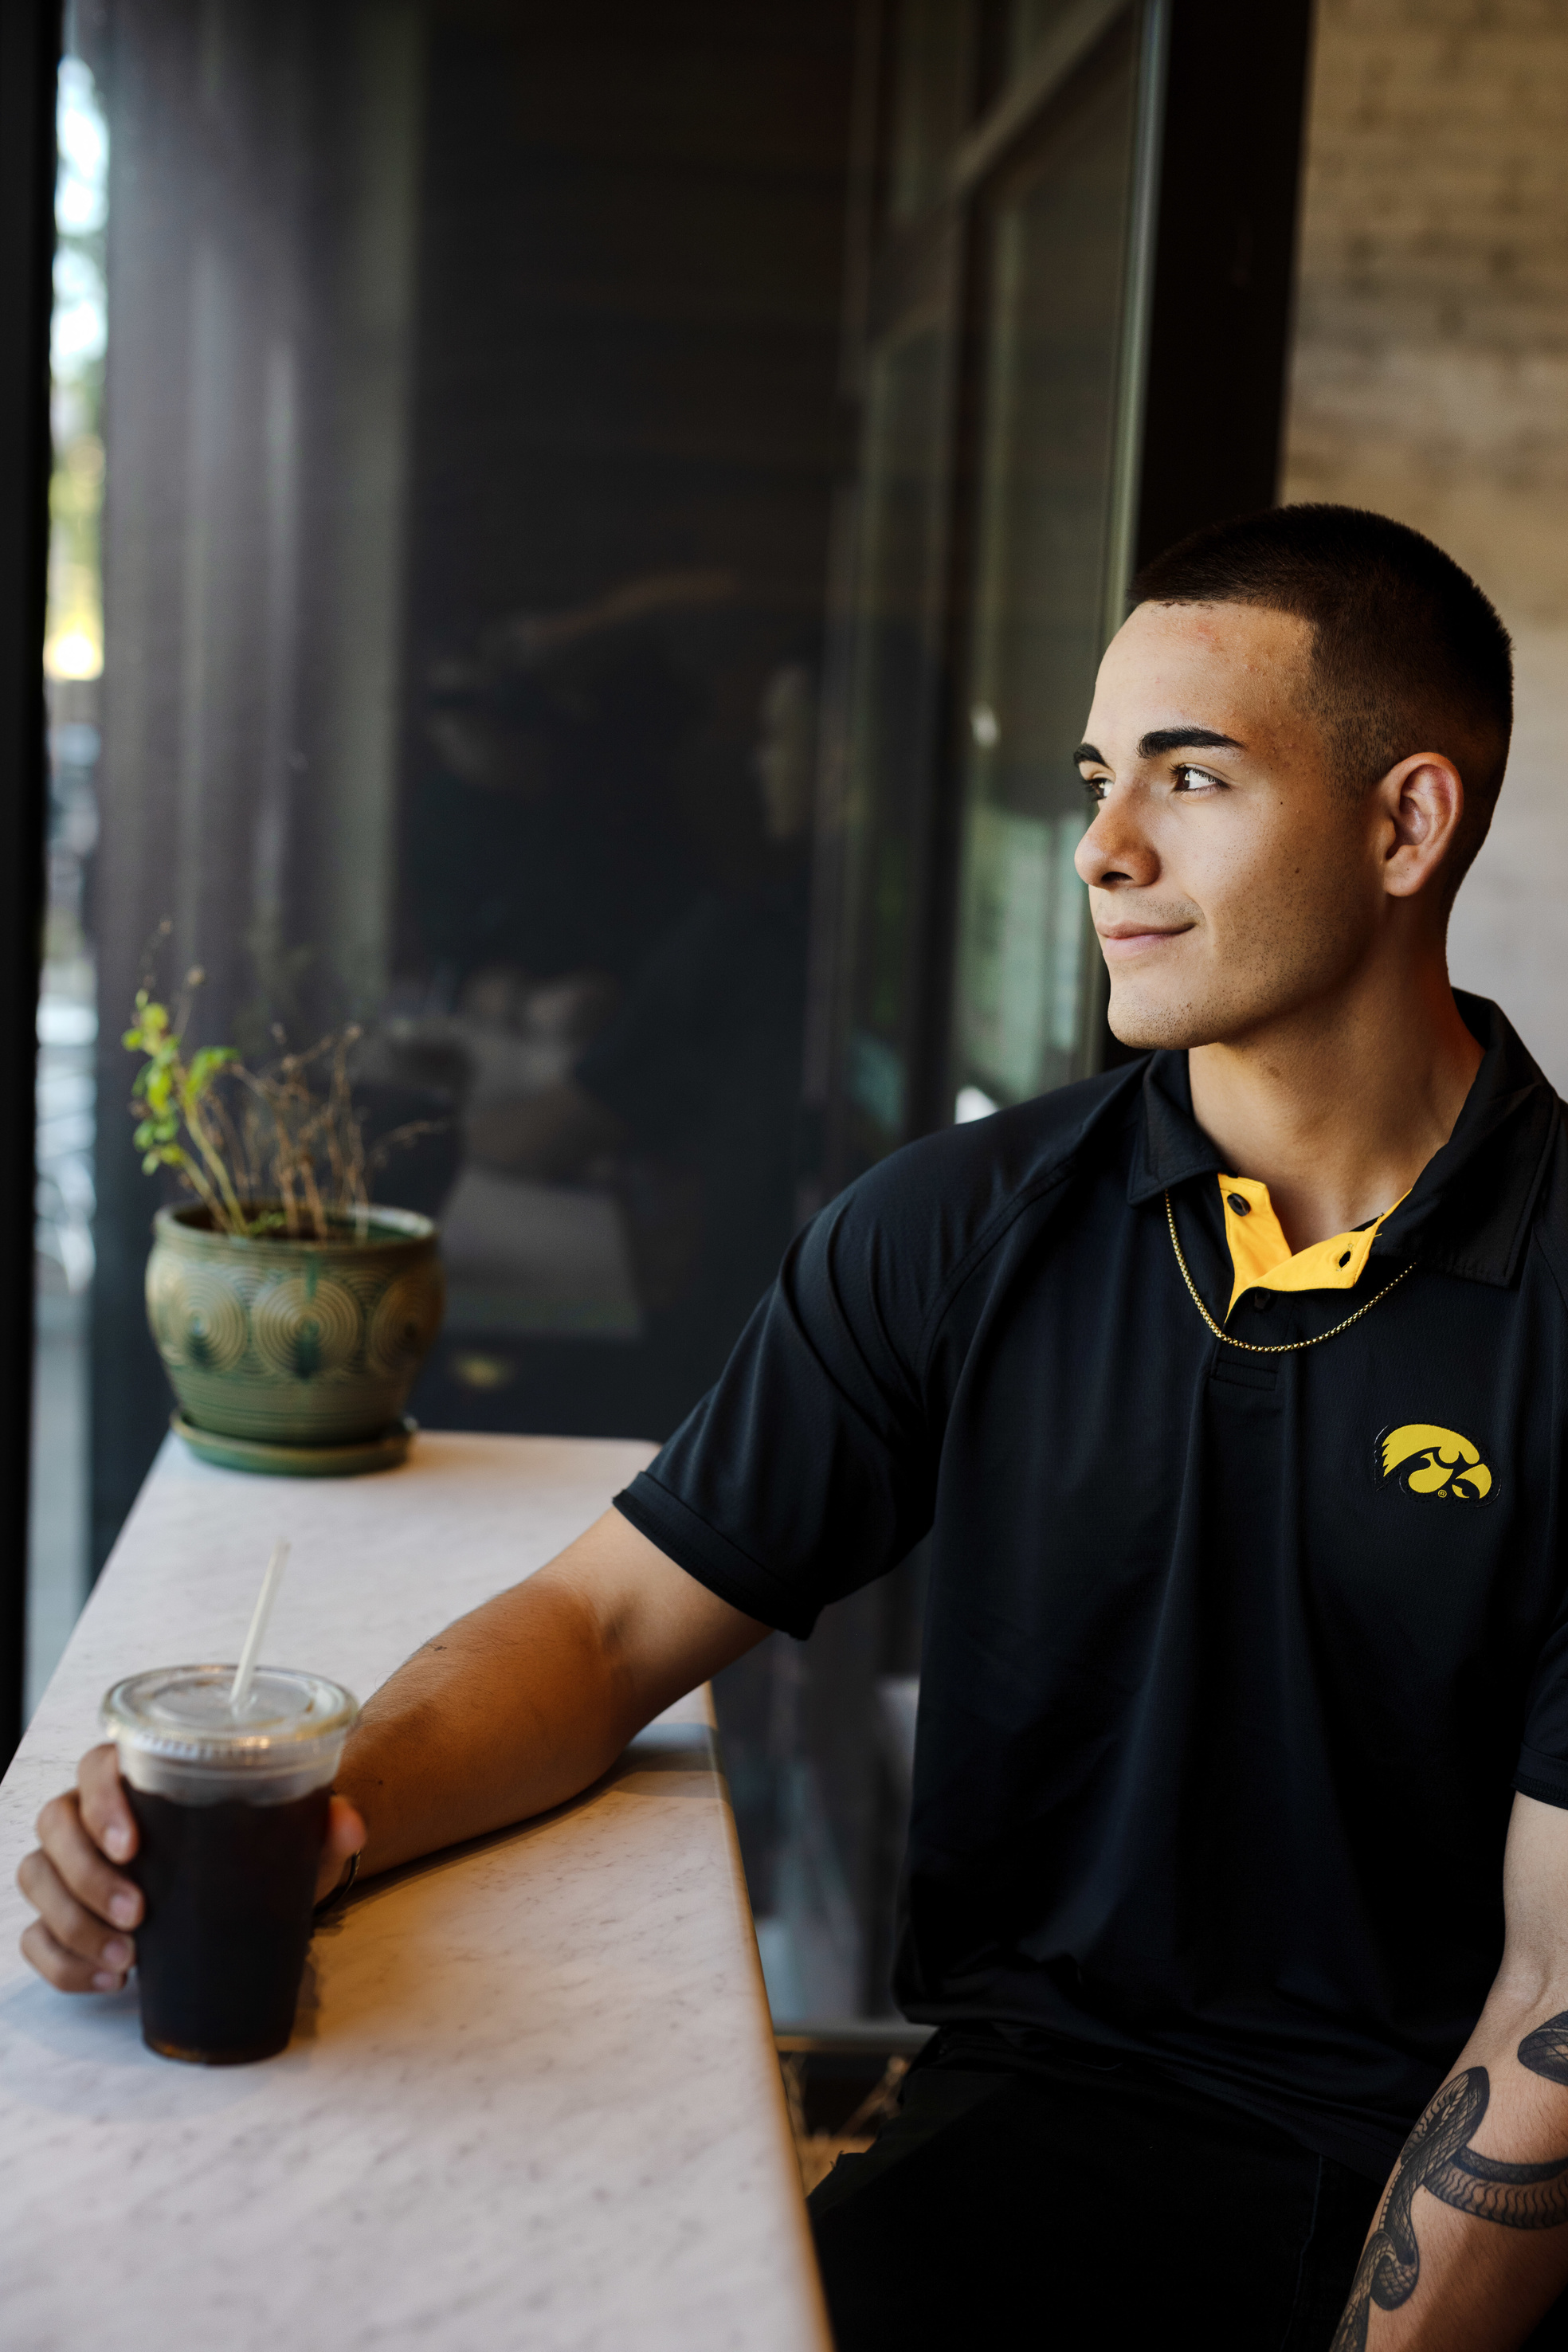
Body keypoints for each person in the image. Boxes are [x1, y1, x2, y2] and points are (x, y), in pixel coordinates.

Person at [20, 505, 1568, 2350]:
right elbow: (601, 1632)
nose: (1101, 848)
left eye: (1193, 777)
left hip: (1431, 2213)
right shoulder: (961, 1230)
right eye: (1094, 777)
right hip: (1013, 2145)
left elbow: (1555, 2002)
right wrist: (299, 1818)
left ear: (1408, 824)